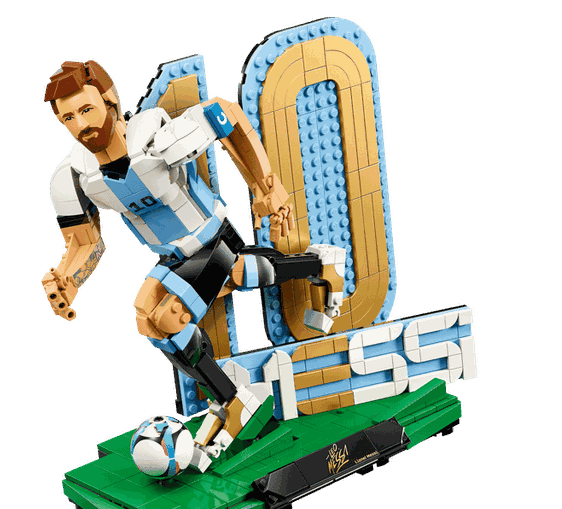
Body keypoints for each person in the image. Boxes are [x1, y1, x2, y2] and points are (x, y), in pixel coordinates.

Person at [40, 59, 343, 471]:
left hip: (212, 237)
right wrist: (67, 277)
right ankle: (320, 265)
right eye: (68, 118)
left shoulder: (152, 134)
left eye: (87, 109)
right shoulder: (74, 175)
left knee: (168, 315)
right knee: (156, 316)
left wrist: (266, 187)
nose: (81, 125)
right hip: (174, 255)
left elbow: (225, 115)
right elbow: (85, 243)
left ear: (110, 100)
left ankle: (233, 402)